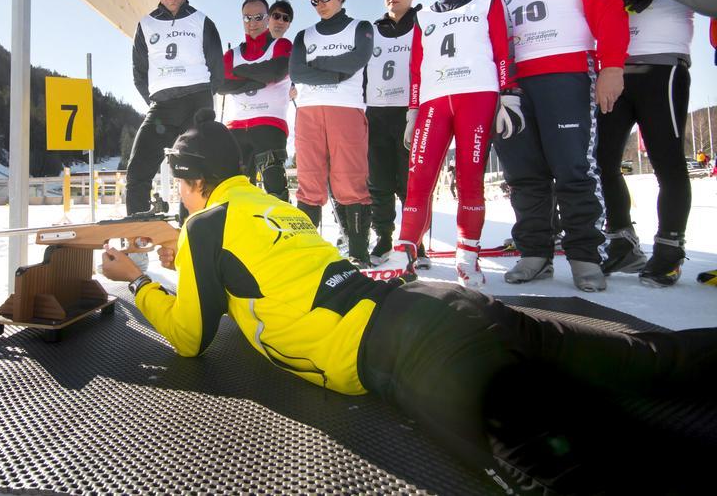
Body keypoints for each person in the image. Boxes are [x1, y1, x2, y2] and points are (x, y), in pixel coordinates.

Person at [101, 109, 716, 496]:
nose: (179, 201)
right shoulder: (278, 206)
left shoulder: (208, 224)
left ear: (191, 182)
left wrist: (135, 280)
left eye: (177, 188)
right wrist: (180, 257)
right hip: (445, 305)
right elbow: (270, 272)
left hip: (418, 356)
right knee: (650, 357)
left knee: (553, 477)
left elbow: (190, 337)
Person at [495, 0, 629, 292]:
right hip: (517, 88)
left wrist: (612, 66)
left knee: (573, 168)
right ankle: (535, 253)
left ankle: (585, 256)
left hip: (566, 77)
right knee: (523, 174)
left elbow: (609, 12)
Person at [598, 0, 717, 288]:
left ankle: (669, 249)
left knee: (667, 159)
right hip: (613, 71)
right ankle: (622, 242)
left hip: (662, 68)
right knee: (602, 161)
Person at [379, 0, 514, 288]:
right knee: (418, 180)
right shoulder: (424, 16)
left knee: (470, 181)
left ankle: (468, 256)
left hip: (476, 97)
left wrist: (508, 95)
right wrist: (412, 111)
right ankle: (405, 250)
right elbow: (416, 67)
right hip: (434, 102)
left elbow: (503, 50)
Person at [128, 0, 224, 231]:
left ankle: (194, 231)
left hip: (197, 103)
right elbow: (139, 71)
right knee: (138, 169)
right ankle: (140, 232)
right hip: (163, 107)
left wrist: (204, 98)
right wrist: (157, 98)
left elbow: (216, 68)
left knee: (196, 172)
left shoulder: (201, 21)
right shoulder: (146, 25)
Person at [289, 0, 374, 265]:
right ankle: (306, 255)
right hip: (309, 113)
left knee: (350, 181)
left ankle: (359, 252)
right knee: (309, 182)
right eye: (314, 0)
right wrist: (333, 71)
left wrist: (319, 65)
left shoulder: (360, 27)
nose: (321, 4)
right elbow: (297, 71)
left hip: (346, 110)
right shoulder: (304, 35)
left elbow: (354, 62)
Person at [365, 0, 429, 269]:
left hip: (410, 113)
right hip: (376, 113)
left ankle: (415, 241)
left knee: (410, 183)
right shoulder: (371, 30)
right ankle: (384, 238)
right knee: (378, 182)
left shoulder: (425, 23)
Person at [217, 0, 293, 201]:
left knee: (275, 187)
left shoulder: (281, 45)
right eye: (247, 18)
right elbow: (220, 84)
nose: (252, 23)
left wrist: (239, 72)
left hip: (269, 122)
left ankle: (281, 230)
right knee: (234, 191)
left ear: (268, 19)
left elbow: (275, 72)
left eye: (258, 17)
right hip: (236, 127)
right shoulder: (232, 54)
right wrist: (257, 78)